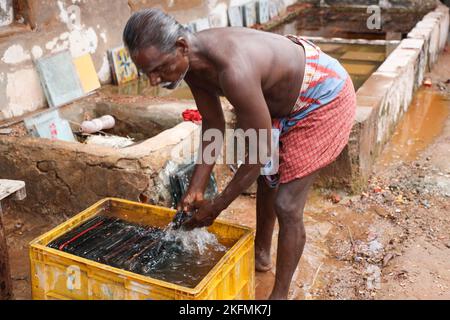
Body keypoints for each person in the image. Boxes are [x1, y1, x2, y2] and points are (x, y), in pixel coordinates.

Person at [123, 8, 356, 300]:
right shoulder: (191, 64)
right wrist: (196, 187)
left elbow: (259, 153)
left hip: (322, 95)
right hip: (279, 103)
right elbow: (213, 124)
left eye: (158, 69)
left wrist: (217, 206)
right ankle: (261, 254)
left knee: (287, 204)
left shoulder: (233, 71)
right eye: (148, 73)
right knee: (268, 180)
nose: (154, 81)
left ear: (181, 46)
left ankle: (279, 295)